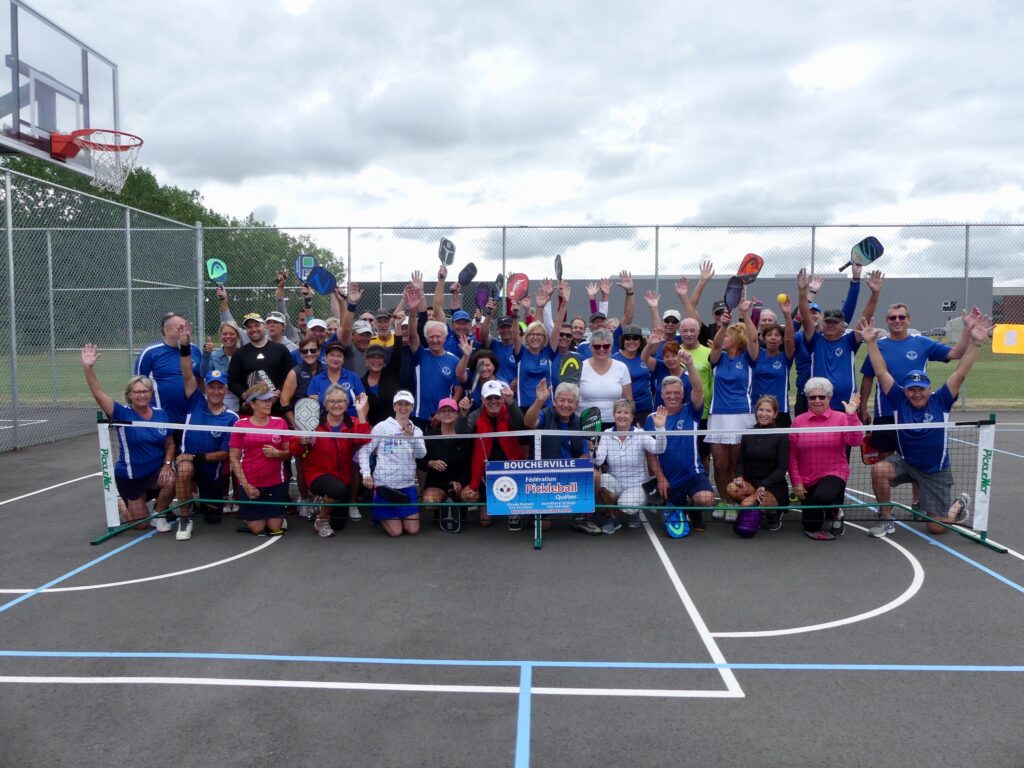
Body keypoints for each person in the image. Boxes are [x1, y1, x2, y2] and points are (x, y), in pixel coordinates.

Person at [859, 314, 992, 537]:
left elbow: (961, 372)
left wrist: (976, 342)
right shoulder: (899, 400)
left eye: (921, 389)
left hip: (934, 472)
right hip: (906, 463)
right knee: (879, 469)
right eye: (912, 389)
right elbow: (881, 372)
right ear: (906, 390)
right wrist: (871, 343)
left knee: (936, 528)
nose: (917, 393)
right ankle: (886, 519)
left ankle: (958, 504)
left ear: (929, 389)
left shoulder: (941, 400)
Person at [857, 303, 981, 452]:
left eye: (902, 317)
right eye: (892, 317)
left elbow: (957, 353)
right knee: (885, 463)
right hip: (885, 412)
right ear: (887, 321)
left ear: (909, 320)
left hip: (915, 412)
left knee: (915, 458)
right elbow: (868, 378)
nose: (897, 320)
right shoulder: (877, 346)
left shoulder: (922, 343)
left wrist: (968, 329)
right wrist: (863, 408)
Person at [82, 344, 176, 530]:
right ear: (129, 395)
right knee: (140, 525)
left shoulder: (161, 414)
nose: (142, 395)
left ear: (151, 394)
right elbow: (98, 394)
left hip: (155, 473)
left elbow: (170, 443)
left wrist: (167, 465)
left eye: (145, 391)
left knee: (172, 479)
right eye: (137, 392)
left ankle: (159, 513)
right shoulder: (121, 413)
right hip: (131, 476)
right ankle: (121, 502)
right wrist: (88, 368)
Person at [173, 330, 239, 541]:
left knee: (213, 518)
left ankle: (198, 497)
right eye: (212, 387)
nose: (215, 391)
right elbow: (187, 374)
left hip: (212, 470)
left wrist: (195, 457)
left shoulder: (231, 418)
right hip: (188, 461)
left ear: (226, 390)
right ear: (207, 388)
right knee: (183, 469)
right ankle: (184, 517)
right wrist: (184, 346)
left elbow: (224, 453)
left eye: (220, 387)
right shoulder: (196, 401)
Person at [797, 267, 881, 414]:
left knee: (848, 437)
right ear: (822, 324)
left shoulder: (849, 341)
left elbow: (865, 316)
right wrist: (803, 292)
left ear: (843, 326)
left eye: (834, 323)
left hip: (847, 407)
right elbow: (805, 314)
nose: (830, 325)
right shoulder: (815, 340)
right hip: (820, 406)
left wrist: (875, 293)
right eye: (827, 322)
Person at [788, 378, 863, 541]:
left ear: (829, 398)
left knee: (824, 496)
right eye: (812, 397)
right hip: (808, 478)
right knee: (811, 526)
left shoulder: (841, 418)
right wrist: (797, 482)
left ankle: (835, 511)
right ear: (807, 399)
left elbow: (855, 441)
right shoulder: (798, 422)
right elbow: (792, 455)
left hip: (835, 472)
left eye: (822, 397)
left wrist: (851, 416)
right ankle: (819, 513)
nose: (817, 401)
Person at [647, 367, 714, 538]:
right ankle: (679, 505)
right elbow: (650, 454)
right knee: (669, 508)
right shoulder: (652, 419)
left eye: (677, 393)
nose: (672, 396)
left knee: (706, 499)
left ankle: (693, 511)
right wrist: (660, 478)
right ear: (661, 395)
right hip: (668, 479)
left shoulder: (691, 411)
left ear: (683, 394)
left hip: (693, 474)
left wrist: (690, 365)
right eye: (668, 393)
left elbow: (698, 390)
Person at [706, 300, 759, 509]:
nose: (724, 337)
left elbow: (754, 338)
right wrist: (724, 325)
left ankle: (739, 503)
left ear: (737, 339)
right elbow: (717, 345)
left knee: (737, 466)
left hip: (742, 416)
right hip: (718, 416)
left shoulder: (749, 358)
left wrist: (745, 314)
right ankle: (726, 503)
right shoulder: (718, 358)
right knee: (720, 465)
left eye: (728, 335)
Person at [525, 379, 595, 534]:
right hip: (544, 477)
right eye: (562, 400)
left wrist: (581, 461)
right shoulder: (545, 413)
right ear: (555, 401)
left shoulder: (578, 421)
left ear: (576, 405)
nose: (566, 405)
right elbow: (529, 422)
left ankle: (580, 518)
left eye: (570, 401)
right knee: (545, 527)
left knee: (595, 475)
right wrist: (539, 401)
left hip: (569, 474)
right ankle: (539, 511)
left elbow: (584, 449)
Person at [299, 388, 371, 538]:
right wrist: (301, 441)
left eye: (340, 401)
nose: (336, 405)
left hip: (342, 480)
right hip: (317, 476)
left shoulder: (352, 422)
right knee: (337, 490)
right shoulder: (314, 422)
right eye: (332, 401)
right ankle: (322, 519)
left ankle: (321, 502)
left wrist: (360, 411)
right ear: (326, 404)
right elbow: (294, 446)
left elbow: (364, 439)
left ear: (346, 404)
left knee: (339, 525)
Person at [229, 383, 296, 536]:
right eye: (264, 400)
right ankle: (255, 517)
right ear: (252, 404)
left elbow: (288, 453)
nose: (268, 403)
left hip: (276, 483)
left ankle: (275, 516)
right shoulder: (240, 425)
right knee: (258, 529)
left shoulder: (280, 423)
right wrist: (245, 485)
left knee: (274, 528)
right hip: (250, 483)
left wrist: (277, 454)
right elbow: (233, 458)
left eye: (269, 400)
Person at [357, 390, 427, 536]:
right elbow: (364, 451)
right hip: (385, 486)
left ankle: (396, 516)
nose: (403, 407)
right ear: (394, 407)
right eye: (399, 404)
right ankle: (380, 513)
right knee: (396, 532)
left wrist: (411, 438)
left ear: (412, 407)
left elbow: (421, 454)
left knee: (413, 530)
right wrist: (366, 475)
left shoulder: (417, 431)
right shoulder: (382, 427)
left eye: (407, 404)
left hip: (407, 486)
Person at [460, 380, 527, 527]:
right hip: (486, 469)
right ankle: (489, 500)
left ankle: (514, 508)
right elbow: (462, 434)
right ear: (483, 400)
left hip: (512, 467)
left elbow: (520, 423)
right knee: (484, 521)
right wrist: (463, 415)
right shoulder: (476, 415)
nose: (493, 401)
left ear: (502, 398)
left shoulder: (510, 409)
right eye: (489, 398)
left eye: (497, 397)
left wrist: (512, 403)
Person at [595, 400, 667, 532]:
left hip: (637, 486)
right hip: (617, 483)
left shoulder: (640, 434)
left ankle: (633, 513)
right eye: (619, 412)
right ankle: (613, 518)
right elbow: (598, 461)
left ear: (632, 417)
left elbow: (659, 449)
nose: (622, 415)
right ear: (614, 415)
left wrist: (660, 429)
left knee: (626, 505)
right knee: (601, 479)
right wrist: (592, 450)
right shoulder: (606, 434)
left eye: (626, 412)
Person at [726, 395, 790, 535]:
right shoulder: (748, 433)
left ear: (775, 414)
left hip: (773, 485)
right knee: (731, 487)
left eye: (768, 411)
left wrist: (765, 484)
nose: (764, 414)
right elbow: (741, 461)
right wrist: (739, 476)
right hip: (752, 483)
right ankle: (755, 509)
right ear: (756, 412)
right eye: (761, 410)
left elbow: (782, 468)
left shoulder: (781, 435)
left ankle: (774, 511)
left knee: (745, 504)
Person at [134, 312, 202, 423]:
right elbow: (137, 386)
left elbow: (199, 380)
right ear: (166, 330)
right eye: (180, 328)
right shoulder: (150, 353)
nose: (185, 332)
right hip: (162, 419)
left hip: (191, 418)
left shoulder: (194, 350)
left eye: (187, 327)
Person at [419, 397, 472, 532]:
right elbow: (419, 460)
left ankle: (460, 509)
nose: (447, 413)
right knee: (429, 502)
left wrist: (461, 482)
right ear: (438, 414)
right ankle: (442, 509)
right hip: (437, 483)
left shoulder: (465, 435)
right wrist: (430, 463)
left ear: (457, 414)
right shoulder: (430, 436)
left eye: (451, 411)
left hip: (460, 481)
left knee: (472, 496)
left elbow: (470, 464)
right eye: (443, 411)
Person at [227, 313, 295, 408]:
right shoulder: (240, 353)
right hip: (250, 409)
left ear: (265, 326)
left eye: (257, 325)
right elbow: (232, 380)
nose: (253, 329)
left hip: (276, 407)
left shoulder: (280, 349)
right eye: (249, 327)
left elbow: (291, 375)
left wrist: (278, 392)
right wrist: (245, 395)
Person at [751, 297, 796, 427]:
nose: (773, 338)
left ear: (781, 340)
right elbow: (752, 338)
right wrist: (746, 313)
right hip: (758, 411)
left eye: (777, 335)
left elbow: (790, 340)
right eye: (769, 335)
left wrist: (787, 314)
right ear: (763, 339)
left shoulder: (785, 357)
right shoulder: (756, 355)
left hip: (780, 410)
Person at [578, 327, 632, 428]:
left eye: (606, 346)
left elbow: (628, 400)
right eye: (597, 346)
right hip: (585, 422)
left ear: (611, 347)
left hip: (615, 422)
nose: (602, 349)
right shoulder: (580, 367)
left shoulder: (621, 367)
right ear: (591, 347)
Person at [306, 340, 365, 417]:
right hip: (324, 425)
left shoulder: (353, 377)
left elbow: (363, 402)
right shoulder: (316, 380)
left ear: (343, 359)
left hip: (351, 423)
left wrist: (360, 423)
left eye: (339, 356)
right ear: (325, 358)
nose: (335, 358)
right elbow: (311, 405)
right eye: (332, 355)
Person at [613, 324, 654, 425]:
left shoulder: (645, 357)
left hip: (645, 407)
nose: (631, 341)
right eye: (628, 338)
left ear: (640, 341)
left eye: (635, 338)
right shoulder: (614, 359)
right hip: (623, 409)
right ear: (623, 341)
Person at [201, 319, 243, 411]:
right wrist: (206, 354)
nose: (228, 336)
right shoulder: (213, 355)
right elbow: (203, 374)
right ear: (220, 336)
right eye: (224, 334)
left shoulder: (244, 355)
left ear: (238, 336)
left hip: (238, 400)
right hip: (218, 398)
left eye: (232, 334)